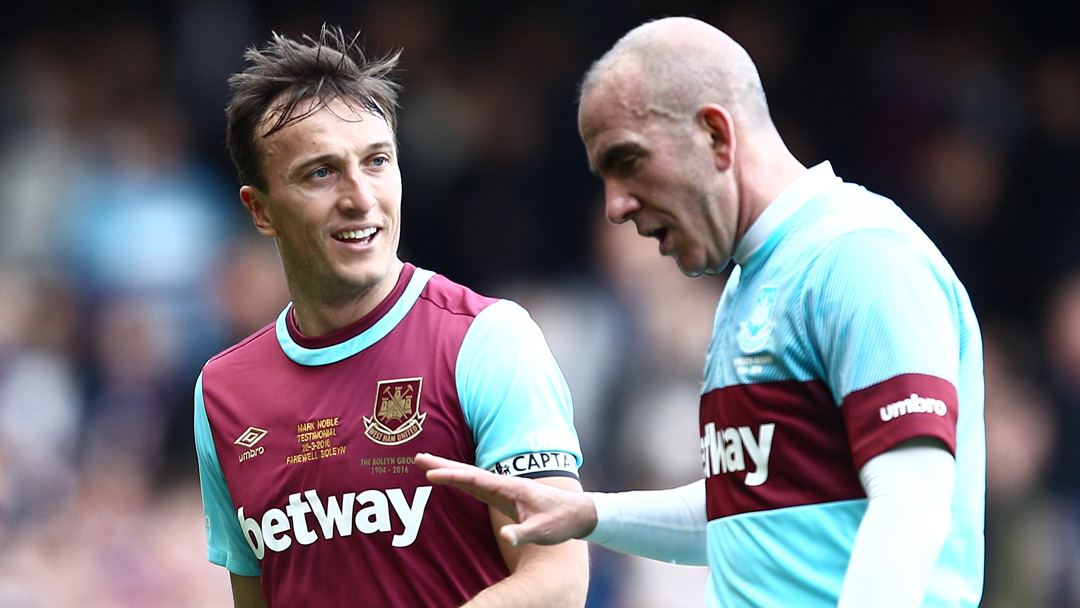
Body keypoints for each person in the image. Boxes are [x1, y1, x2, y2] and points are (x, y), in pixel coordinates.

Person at [417, 15, 985, 608]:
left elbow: (912, 504)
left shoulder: (860, 256)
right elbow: (740, 510)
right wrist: (587, 512)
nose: (615, 207)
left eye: (628, 162)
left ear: (716, 134)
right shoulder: (751, 285)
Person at [193, 26, 588, 608]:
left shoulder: (486, 339)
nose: (360, 196)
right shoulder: (222, 393)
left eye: (377, 162)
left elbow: (557, 579)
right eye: (321, 172)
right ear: (261, 210)